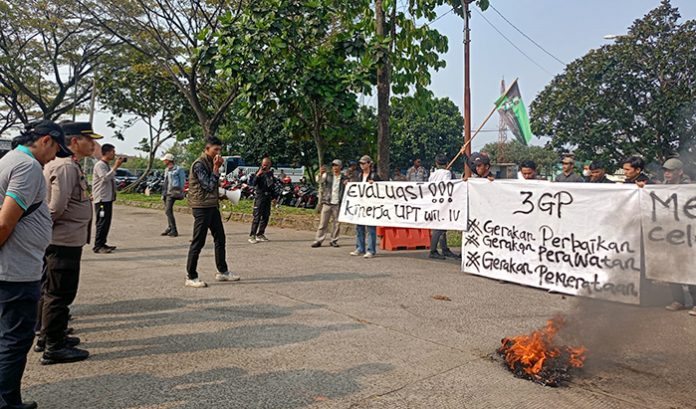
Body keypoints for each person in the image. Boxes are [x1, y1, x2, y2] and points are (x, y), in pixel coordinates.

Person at [0, 119, 70, 409]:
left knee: (6, 337)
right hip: (14, 271)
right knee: (14, 340)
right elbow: (6, 222)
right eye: (55, 149)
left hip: (12, 267)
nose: (54, 157)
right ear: (45, 140)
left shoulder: (8, 159)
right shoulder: (27, 167)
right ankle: (6, 403)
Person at [36, 122, 101, 365]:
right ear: (73, 141)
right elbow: (55, 208)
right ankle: (53, 346)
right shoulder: (65, 167)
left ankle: (49, 335)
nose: (93, 144)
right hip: (62, 241)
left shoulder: (70, 165)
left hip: (64, 239)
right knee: (59, 293)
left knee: (53, 290)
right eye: (88, 139)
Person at [185, 136, 240, 288]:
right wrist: (216, 169)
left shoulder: (210, 163)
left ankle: (222, 271)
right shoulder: (199, 164)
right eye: (215, 149)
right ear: (207, 149)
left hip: (211, 205)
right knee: (198, 241)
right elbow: (208, 186)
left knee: (220, 238)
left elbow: (212, 187)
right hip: (201, 207)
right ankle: (191, 276)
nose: (218, 152)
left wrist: (220, 195)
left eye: (220, 149)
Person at [661, 158, 696, 316]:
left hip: (688, 234)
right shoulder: (661, 187)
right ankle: (678, 301)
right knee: (672, 268)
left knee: (690, 269)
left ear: (680, 172)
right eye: (665, 170)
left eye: (670, 170)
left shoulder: (690, 187)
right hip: (670, 234)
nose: (667, 173)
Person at [92, 144, 124, 253]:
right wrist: (116, 166)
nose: (114, 154)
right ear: (107, 152)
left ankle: (103, 243)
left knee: (106, 222)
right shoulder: (100, 165)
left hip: (107, 199)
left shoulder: (106, 165)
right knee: (101, 221)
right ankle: (98, 246)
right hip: (101, 200)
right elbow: (105, 178)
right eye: (113, 152)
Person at [428, 154, 461, 260]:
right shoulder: (447, 173)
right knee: (439, 228)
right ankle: (433, 251)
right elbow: (448, 185)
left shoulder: (432, 175)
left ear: (436, 164)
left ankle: (444, 249)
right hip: (444, 201)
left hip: (434, 201)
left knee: (442, 226)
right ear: (446, 163)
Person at [350, 155, 381, 258]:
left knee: (371, 228)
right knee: (359, 227)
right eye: (360, 163)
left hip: (371, 206)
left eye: (364, 163)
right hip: (361, 205)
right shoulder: (359, 176)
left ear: (369, 164)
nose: (362, 165)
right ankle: (360, 248)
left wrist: (375, 184)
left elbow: (382, 188)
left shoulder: (374, 176)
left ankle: (371, 250)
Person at [311, 160, 346, 248]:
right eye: (333, 165)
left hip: (338, 203)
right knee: (323, 223)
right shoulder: (328, 175)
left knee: (337, 223)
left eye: (336, 165)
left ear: (340, 167)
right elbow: (319, 181)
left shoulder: (344, 178)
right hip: (327, 202)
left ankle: (334, 240)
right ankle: (318, 240)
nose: (334, 167)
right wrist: (320, 173)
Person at [248, 157, 276, 244]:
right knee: (257, 217)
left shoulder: (270, 174)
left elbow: (272, 187)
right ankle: (252, 235)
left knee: (266, 216)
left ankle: (260, 234)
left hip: (268, 197)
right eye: (264, 164)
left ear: (270, 165)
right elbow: (253, 183)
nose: (265, 166)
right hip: (260, 197)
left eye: (267, 165)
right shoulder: (258, 172)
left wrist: (274, 197)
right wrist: (258, 175)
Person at [160, 153, 186, 237]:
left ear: (168, 160)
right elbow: (165, 181)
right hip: (166, 192)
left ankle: (174, 230)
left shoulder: (178, 169)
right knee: (167, 211)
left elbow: (182, 181)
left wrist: (182, 191)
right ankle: (170, 227)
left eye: (165, 160)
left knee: (168, 210)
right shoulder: (166, 170)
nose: (163, 161)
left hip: (173, 192)